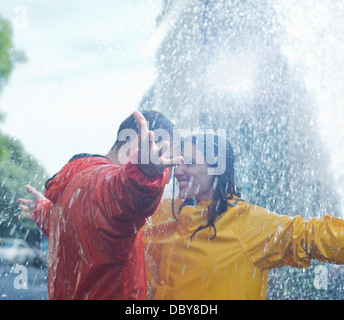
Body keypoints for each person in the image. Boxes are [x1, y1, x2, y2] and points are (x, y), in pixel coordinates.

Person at [142, 133, 344, 300]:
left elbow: (307, 235)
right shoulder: (164, 211)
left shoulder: (244, 222)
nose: (178, 172)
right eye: (179, 164)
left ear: (216, 170)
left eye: (190, 164)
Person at [17, 110, 183, 300]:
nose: (169, 176)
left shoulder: (77, 182)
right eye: (167, 159)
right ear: (142, 144)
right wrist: (144, 173)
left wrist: (44, 211)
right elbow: (122, 195)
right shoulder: (108, 184)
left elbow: (79, 230)